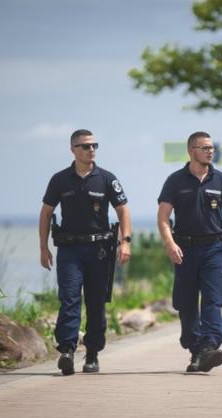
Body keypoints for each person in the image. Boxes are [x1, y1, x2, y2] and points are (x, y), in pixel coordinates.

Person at [39, 129, 132, 375]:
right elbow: (46, 213)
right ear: (73, 150)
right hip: (70, 250)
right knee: (69, 298)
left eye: (94, 145)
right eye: (85, 146)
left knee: (96, 303)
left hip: (99, 250)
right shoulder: (60, 179)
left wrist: (126, 241)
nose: (91, 150)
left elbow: (123, 210)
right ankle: (67, 351)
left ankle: (92, 354)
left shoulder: (106, 178)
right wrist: (43, 247)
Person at [157, 131, 222, 373]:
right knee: (186, 304)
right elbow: (163, 217)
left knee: (212, 300)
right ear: (191, 151)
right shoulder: (175, 181)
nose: (210, 151)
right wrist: (170, 244)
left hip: (214, 249)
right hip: (184, 250)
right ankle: (197, 351)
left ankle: (210, 344)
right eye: (204, 147)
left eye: (212, 148)